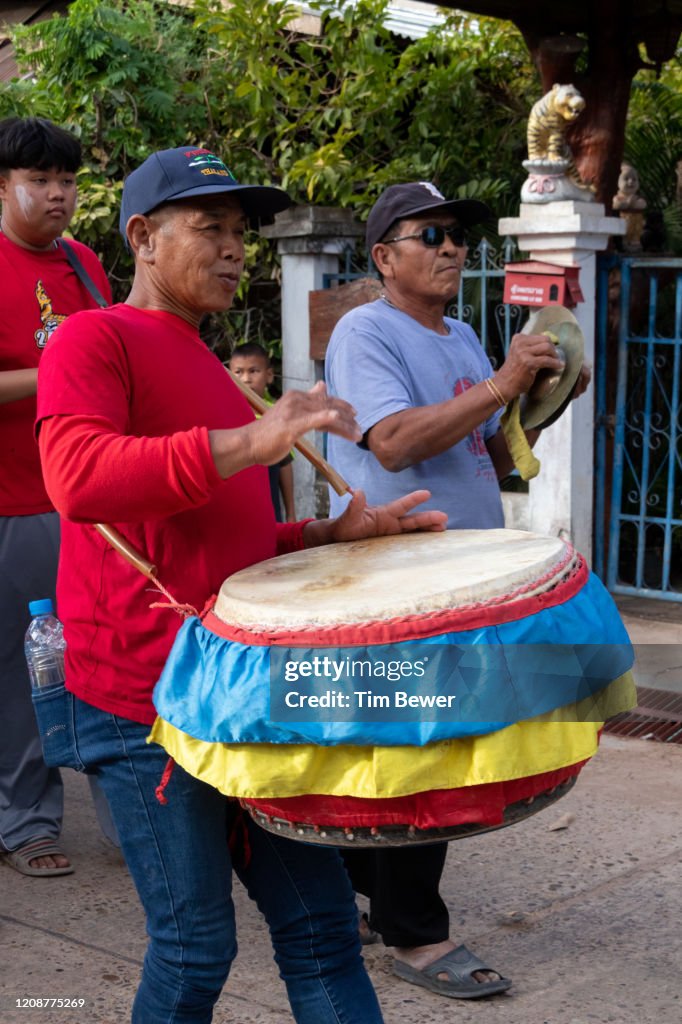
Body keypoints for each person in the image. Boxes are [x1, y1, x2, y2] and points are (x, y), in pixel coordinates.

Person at [35, 147, 447, 1024]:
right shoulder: (93, 337)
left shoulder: (213, 365)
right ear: (142, 237)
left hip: (241, 690)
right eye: (210, 229)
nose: (234, 250)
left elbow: (229, 540)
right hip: (143, 704)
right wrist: (251, 445)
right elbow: (77, 478)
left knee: (324, 925)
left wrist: (326, 536)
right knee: (194, 946)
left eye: (241, 234)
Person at [325, 180, 590, 1000]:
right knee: (420, 751)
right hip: (395, 577)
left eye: (458, 236)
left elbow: (494, 455)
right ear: (383, 257)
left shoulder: (467, 336)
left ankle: (351, 894)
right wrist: (506, 383)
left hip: (457, 575)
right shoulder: (364, 331)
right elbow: (397, 444)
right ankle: (417, 934)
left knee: (404, 747)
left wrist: (545, 398)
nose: (450, 248)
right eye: (430, 234)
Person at [0, 116, 112, 878]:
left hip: (92, 494)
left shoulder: (84, 263)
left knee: (101, 653)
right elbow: (79, 364)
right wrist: (64, 371)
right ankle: (27, 819)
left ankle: (130, 810)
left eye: (67, 181)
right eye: (40, 181)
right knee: (22, 666)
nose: (58, 195)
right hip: (13, 497)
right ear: (3, 186)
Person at [229, 341, 296, 521]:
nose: (245, 379)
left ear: (269, 375)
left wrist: (291, 513)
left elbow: (285, 465)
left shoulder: (276, 416)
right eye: (238, 372)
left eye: (253, 371)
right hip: (237, 509)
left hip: (270, 509)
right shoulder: (226, 416)